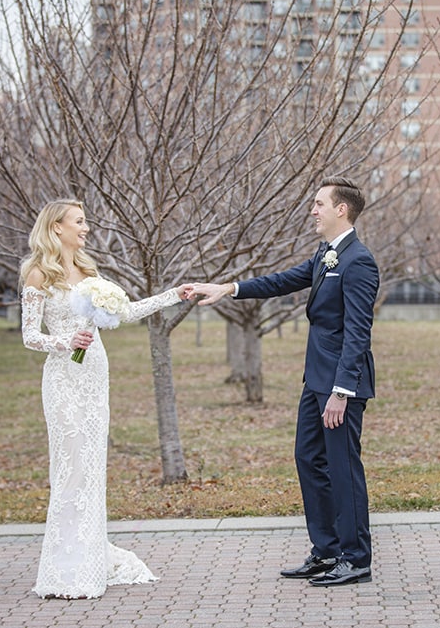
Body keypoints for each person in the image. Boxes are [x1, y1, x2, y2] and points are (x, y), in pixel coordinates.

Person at [190, 176, 378, 587]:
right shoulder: (325, 254)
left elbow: (358, 333)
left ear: (340, 210)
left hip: (340, 388)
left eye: (319, 204)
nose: (313, 210)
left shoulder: (358, 261)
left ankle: (356, 558)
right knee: (308, 460)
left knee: (343, 469)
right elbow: (281, 281)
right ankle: (326, 550)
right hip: (315, 382)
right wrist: (228, 288)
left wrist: (341, 392)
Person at [19, 198, 191, 600]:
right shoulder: (38, 273)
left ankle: (90, 555)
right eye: (79, 222)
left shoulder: (90, 272)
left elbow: (126, 312)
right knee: (69, 467)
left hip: (95, 375)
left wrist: (173, 295)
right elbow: (30, 336)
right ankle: (65, 566)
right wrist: (65, 341)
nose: (86, 228)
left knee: (92, 469)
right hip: (63, 378)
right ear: (56, 227)